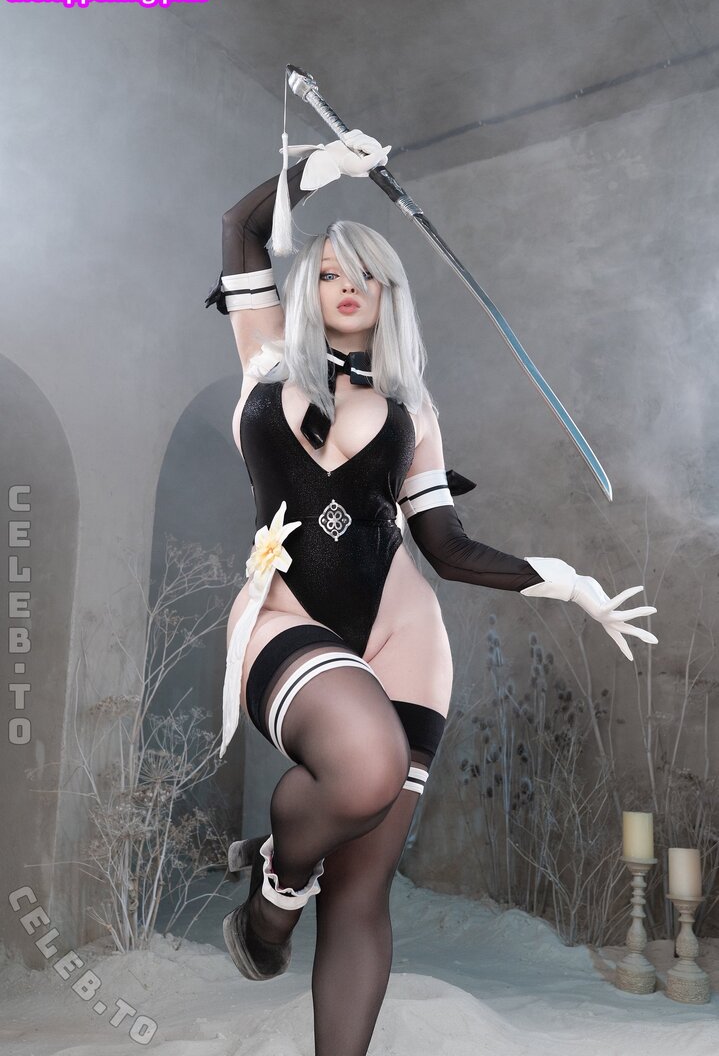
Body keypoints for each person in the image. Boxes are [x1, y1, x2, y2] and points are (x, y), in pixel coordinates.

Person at [206, 130, 657, 1056]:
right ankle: (278, 882)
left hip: (404, 637)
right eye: (327, 270)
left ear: (388, 296)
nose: (345, 284)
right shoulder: (265, 358)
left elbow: (445, 548)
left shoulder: (413, 412)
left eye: (364, 274)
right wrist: (324, 167)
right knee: (362, 771)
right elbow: (241, 226)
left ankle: (297, 914)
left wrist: (564, 582)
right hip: (287, 617)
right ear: (306, 287)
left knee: (361, 890)